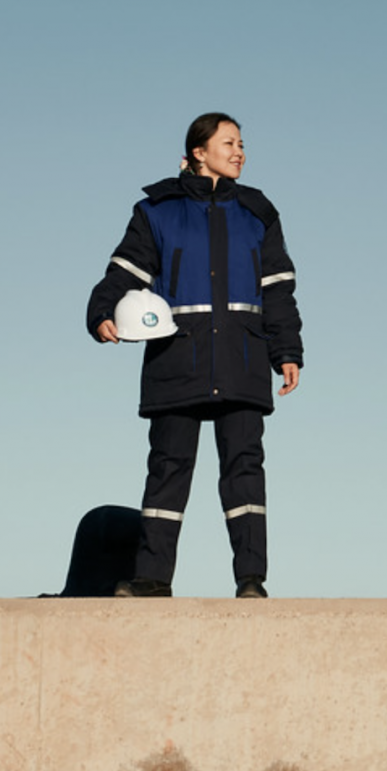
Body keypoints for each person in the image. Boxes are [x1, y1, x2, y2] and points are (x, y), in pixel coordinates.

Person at [84, 113, 304, 597]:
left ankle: (251, 581)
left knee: (244, 471)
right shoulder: (156, 211)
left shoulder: (258, 212)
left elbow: (279, 291)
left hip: (244, 357)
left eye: (242, 143)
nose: (240, 151)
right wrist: (101, 312)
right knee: (167, 470)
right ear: (199, 152)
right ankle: (152, 580)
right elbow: (123, 272)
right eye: (229, 142)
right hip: (176, 359)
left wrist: (286, 350)